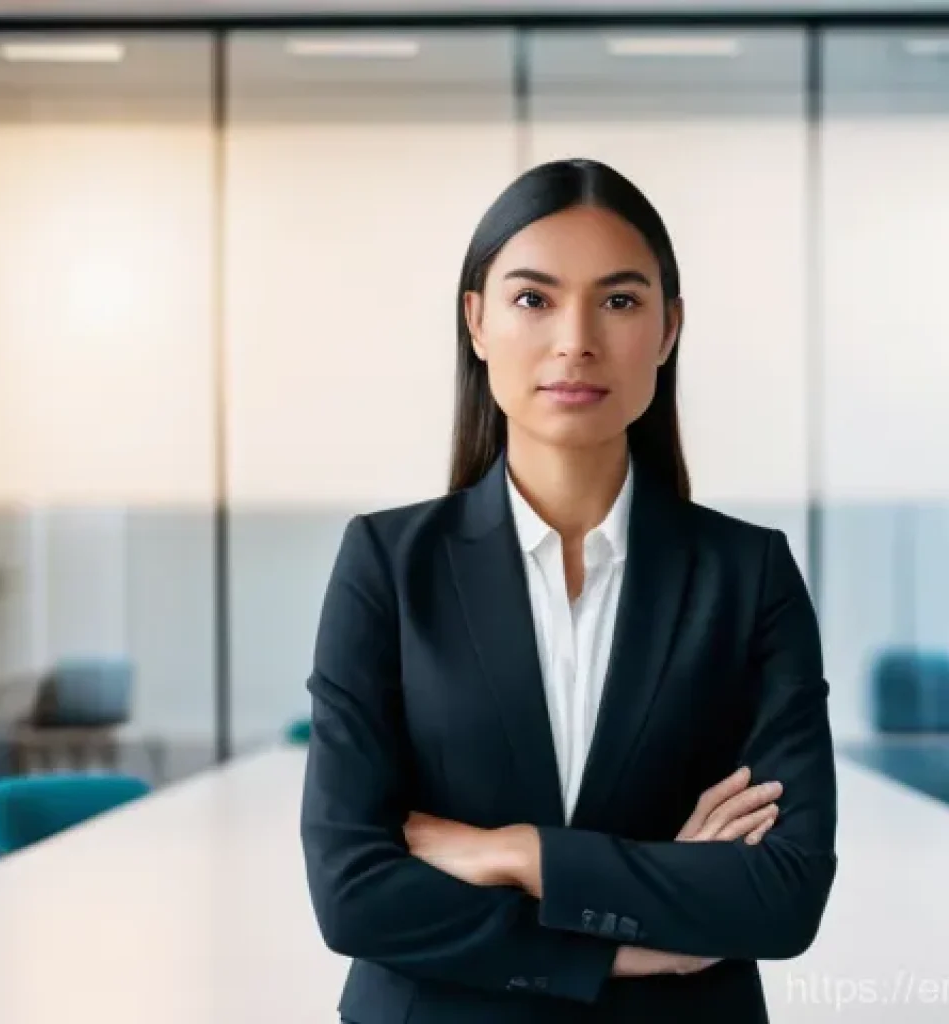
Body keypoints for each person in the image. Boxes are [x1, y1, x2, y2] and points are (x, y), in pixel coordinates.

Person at [300, 157, 838, 1023]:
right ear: (476, 322)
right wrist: (631, 944)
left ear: (668, 329)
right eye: (533, 299)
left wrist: (520, 854)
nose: (575, 339)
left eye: (619, 300)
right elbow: (352, 892)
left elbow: (782, 893)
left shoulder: (749, 577)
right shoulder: (388, 565)